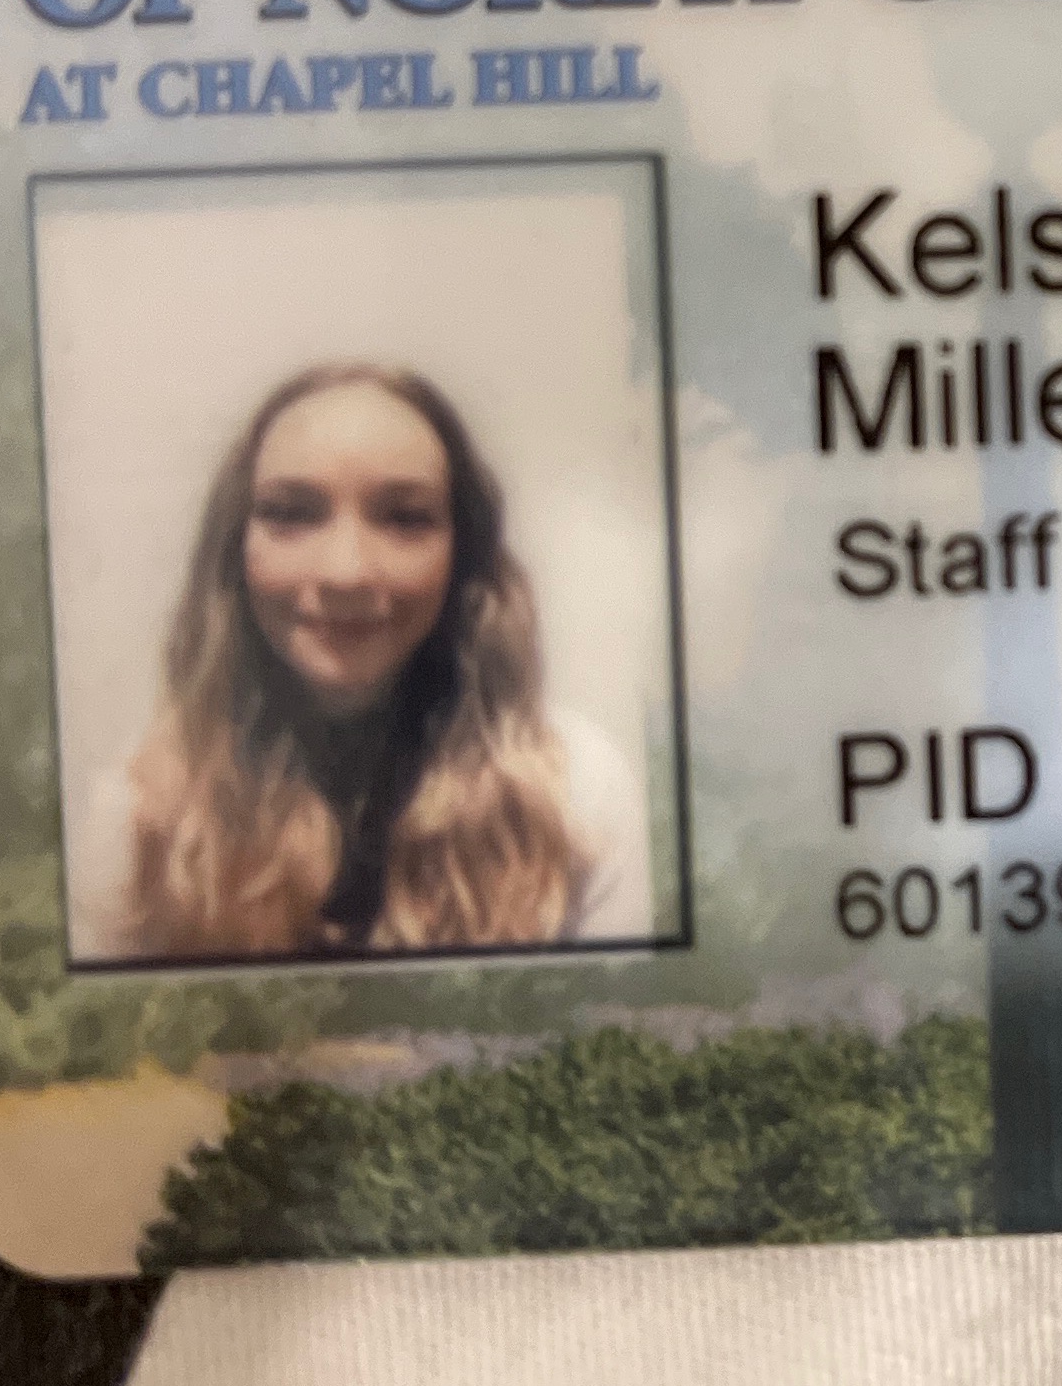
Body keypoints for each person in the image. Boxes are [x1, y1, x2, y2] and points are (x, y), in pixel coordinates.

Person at [76, 363, 652, 960]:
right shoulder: (138, 821)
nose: (346, 572)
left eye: (404, 518)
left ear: (464, 557)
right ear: (234, 552)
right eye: (292, 513)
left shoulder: (580, 800)